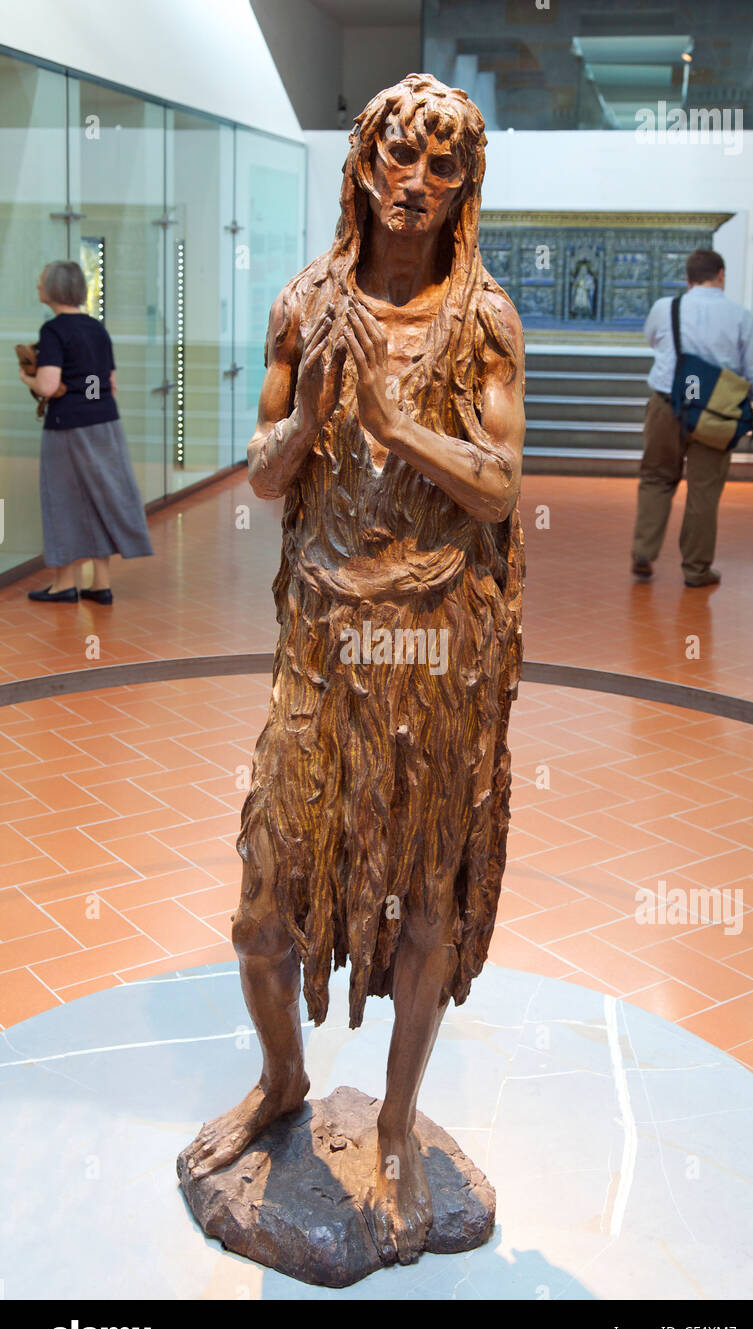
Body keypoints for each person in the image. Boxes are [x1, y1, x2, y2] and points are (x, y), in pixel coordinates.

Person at [182, 74, 526, 1266]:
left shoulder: (482, 317)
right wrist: (314, 408)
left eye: (441, 166)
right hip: (322, 655)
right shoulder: (306, 304)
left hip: (433, 657)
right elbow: (267, 473)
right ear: (363, 161)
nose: (414, 182)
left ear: (462, 186)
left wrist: (390, 424)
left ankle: (393, 1122)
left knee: (427, 900)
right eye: (397, 153)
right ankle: (282, 1080)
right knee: (259, 912)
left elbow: (497, 485)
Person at [631, 248, 753, 587]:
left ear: (687, 278)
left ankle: (643, 551)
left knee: (656, 478)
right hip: (717, 414)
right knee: (703, 491)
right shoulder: (741, 317)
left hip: (667, 404)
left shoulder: (666, 308)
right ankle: (696, 570)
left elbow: (653, 340)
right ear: (721, 274)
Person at [20, 261, 152, 604]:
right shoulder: (96, 328)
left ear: (53, 289)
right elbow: (108, 383)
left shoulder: (54, 331)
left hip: (67, 428)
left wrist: (27, 379)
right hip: (106, 424)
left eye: (40, 282)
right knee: (100, 496)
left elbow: (48, 386)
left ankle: (64, 584)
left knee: (63, 499)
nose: (37, 287)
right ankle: (100, 583)